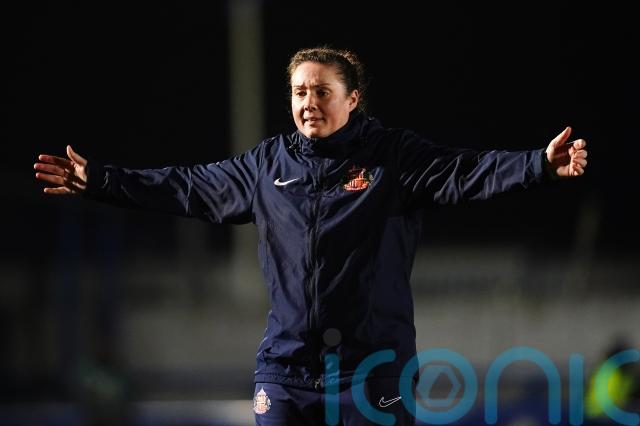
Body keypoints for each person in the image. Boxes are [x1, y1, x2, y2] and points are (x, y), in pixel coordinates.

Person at [34, 46, 588, 425]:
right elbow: (186, 186)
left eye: (322, 91)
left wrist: (538, 165)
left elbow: (468, 172)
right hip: (286, 370)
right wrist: (100, 180)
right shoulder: (266, 167)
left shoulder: (392, 159)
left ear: (353, 99)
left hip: (373, 371)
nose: (308, 103)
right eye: (300, 91)